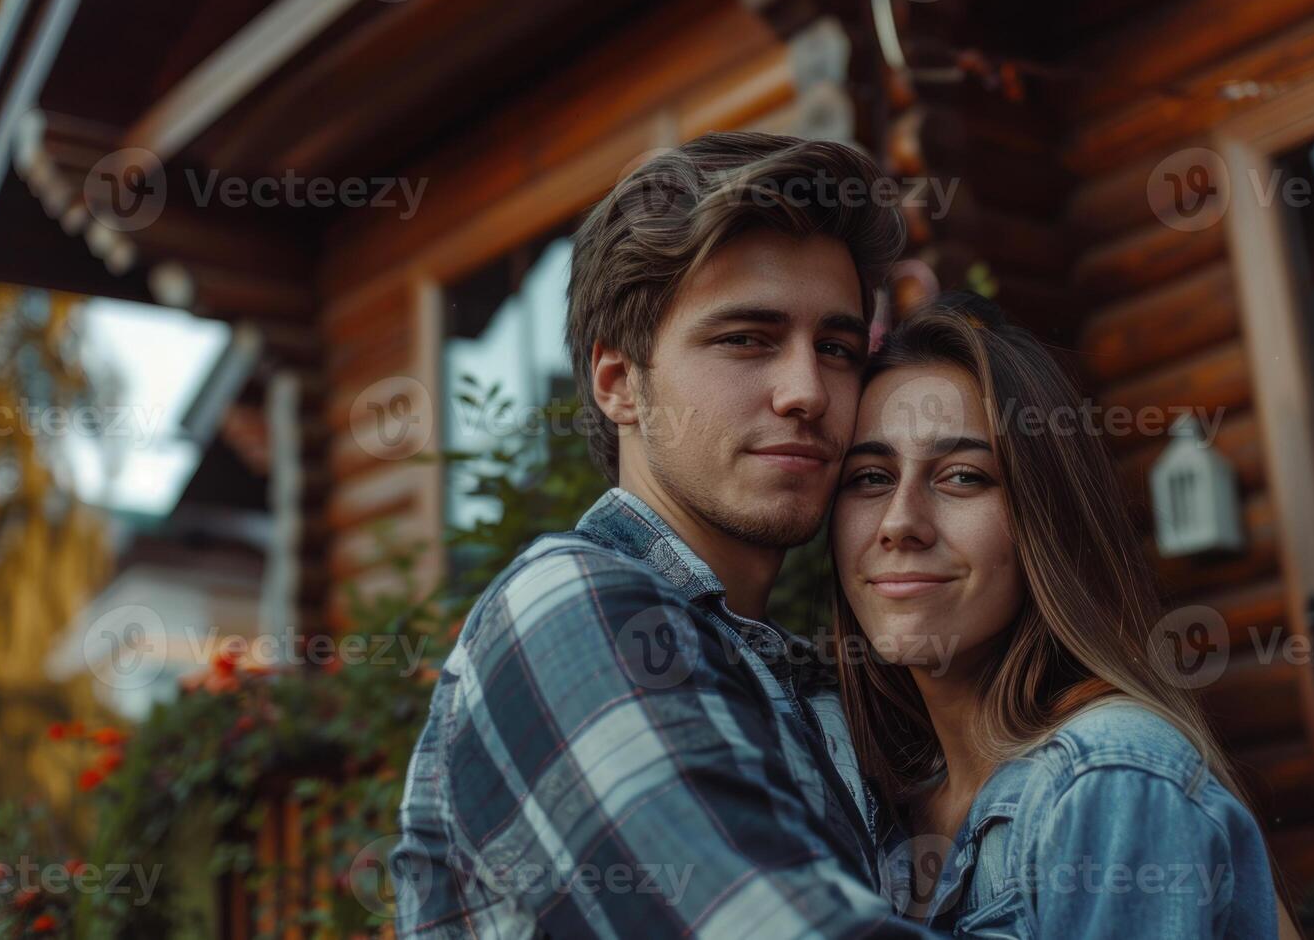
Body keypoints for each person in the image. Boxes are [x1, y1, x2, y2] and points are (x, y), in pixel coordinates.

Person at [394, 132, 944, 937]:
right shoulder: (572, 606)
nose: (806, 392)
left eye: (834, 348)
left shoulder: (782, 672)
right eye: (746, 339)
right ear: (620, 384)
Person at [830, 293, 1292, 938]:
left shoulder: (1107, 777)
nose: (900, 521)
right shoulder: (879, 805)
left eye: (963, 476)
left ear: (1043, 522)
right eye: (870, 477)